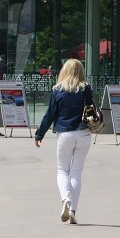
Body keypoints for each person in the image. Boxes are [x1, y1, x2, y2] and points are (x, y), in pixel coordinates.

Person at [34, 59, 95, 226]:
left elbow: (50, 115)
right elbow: (91, 109)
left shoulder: (57, 90)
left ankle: (66, 200)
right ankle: (73, 211)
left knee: (62, 170)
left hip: (65, 133)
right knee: (76, 172)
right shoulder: (85, 89)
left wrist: (40, 134)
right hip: (84, 133)